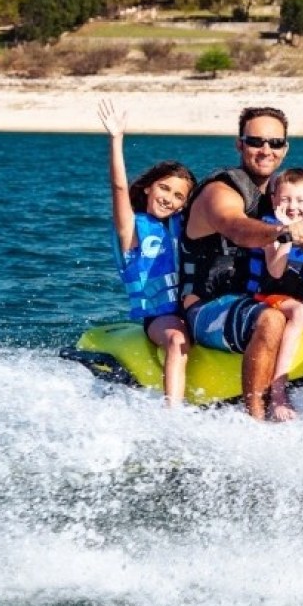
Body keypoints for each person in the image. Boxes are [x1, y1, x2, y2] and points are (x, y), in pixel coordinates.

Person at [179, 107, 303, 422]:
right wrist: (282, 232)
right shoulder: (220, 191)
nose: (266, 150)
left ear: (285, 148)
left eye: (274, 142)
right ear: (240, 144)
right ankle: (256, 423)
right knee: (271, 320)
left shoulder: (281, 198)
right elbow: (235, 226)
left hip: (249, 301)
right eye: (256, 141)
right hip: (204, 307)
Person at [98, 98, 196, 407]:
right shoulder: (132, 228)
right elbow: (118, 189)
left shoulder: (182, 224)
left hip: (193, 306)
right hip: (159, 315)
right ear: (148, 188)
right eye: (164, 189)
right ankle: (172, 414)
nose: (169, 199)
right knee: (177, 340)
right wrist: (116, 140)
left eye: (178, 196)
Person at [254, 167, 303, 421]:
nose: (292, 206)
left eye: (300, 200)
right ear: (274, 199)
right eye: (285, 199)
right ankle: (278, 392)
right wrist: (285, 234)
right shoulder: (270, 229)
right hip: (271, 297)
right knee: (301, 313)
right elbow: (275, 272)